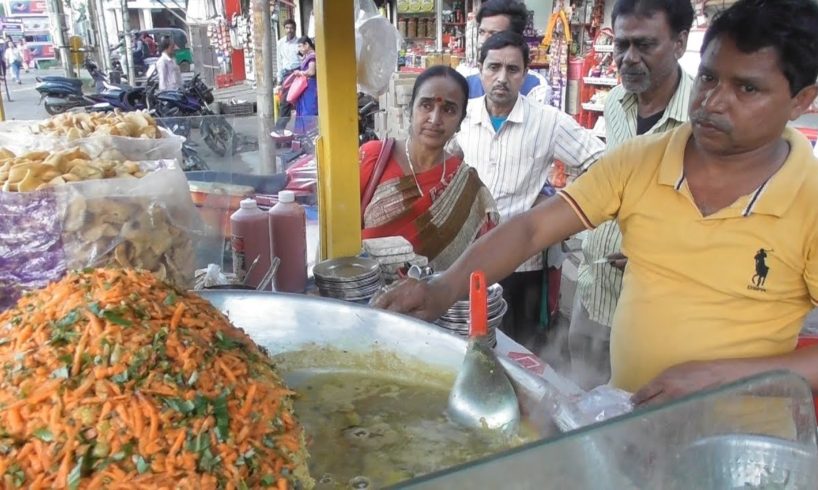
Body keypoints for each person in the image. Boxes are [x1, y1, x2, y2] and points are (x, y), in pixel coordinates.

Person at [374, 0, 818, 405]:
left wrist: (724, 377)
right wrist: (442, 289)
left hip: (742, 447)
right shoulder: (639, 161)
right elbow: (532, 229)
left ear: (801, 99)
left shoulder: (809, 197)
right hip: (634, 422)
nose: (714, 102)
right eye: (708, 78)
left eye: (747, 89)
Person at [570, 0, 695, 389]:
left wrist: (664, 251)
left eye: (644, 45)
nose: (628, 58)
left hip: (654, 305)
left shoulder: (701, 119)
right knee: (584, 400)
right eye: (622, 44)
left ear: (680, 43)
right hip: (595, 290)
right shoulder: (615, 103)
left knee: (638, 418)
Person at [455, 31, 605, 347]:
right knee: (470, 344)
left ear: (525, 74)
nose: (502, 78)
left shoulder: (548, 122)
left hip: (523, 264)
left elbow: (601, 165)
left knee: (521, 349)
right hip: (466, 259)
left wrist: (563, 212)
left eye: (512, 69)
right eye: (493, 67)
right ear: (479, 69)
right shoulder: (462, 117)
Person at [360, 66, 500, 271]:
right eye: (426, 105)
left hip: (436, 300)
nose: (435, 119)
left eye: (449, 109)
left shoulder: (467, 186)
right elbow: (340, 234)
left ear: (461, 121)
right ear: (410, 110)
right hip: (364, 298)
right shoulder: (373, 158)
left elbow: (480, 262)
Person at [457, 0, 550, 105]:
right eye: (482, 32)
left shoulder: (536, 87)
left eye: (494, 34)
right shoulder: (464, 79)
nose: (483, 41)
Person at [275, 19, 301, 130]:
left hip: (298, 74)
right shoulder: (280, 43)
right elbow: (279, 62)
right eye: (287, 28)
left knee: (300, 103)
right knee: (284, 104)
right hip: (286, 75)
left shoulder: (300, 42)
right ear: (284, 29)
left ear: (295, 29)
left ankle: (300, 132)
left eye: (291, 28)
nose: (289, 30)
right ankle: (279, 132)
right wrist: (279, 80)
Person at [292, 36, 318, 134]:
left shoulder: (312, 56)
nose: (299, 49)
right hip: (306, 88)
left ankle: (307, 139)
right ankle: (302, 140)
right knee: (303, 112)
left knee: (308, 113)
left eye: (300, 46)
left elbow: (311, 72)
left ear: (307, 45)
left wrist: (301, 73)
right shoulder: (307, 56)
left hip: (310, 87)